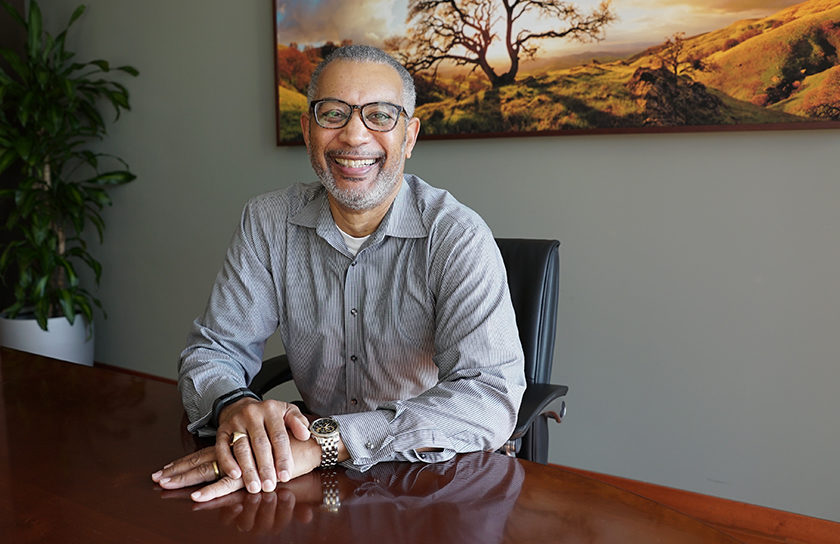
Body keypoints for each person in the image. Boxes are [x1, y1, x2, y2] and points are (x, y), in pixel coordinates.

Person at [151, 45, 525, 503]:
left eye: (380, 116)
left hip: (430, 476)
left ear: (408, 136)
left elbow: (490, 398)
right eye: (333, 114)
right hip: (312, 482)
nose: (353, 136)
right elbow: (214, 349)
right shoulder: (269, 222)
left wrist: (326, 440)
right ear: (308, 131)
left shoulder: (457, 236)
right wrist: (236, 407)